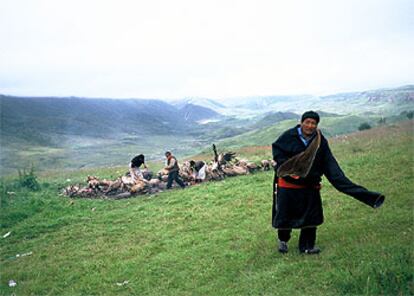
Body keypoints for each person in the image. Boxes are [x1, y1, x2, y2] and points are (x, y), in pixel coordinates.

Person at [272, 111, 385, 254]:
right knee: (286, 215)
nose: (310, 126)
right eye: (307, 122)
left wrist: (342, 181)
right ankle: (283, 240)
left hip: (310, 185)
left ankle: (307, 247)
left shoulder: (320, 141)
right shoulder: (288, 136)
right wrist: (290, 171)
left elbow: (329, 163)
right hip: (289, 185)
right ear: (301, 122)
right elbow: (278, 154)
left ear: (317, 125)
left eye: (313, 123)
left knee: (310, 217)